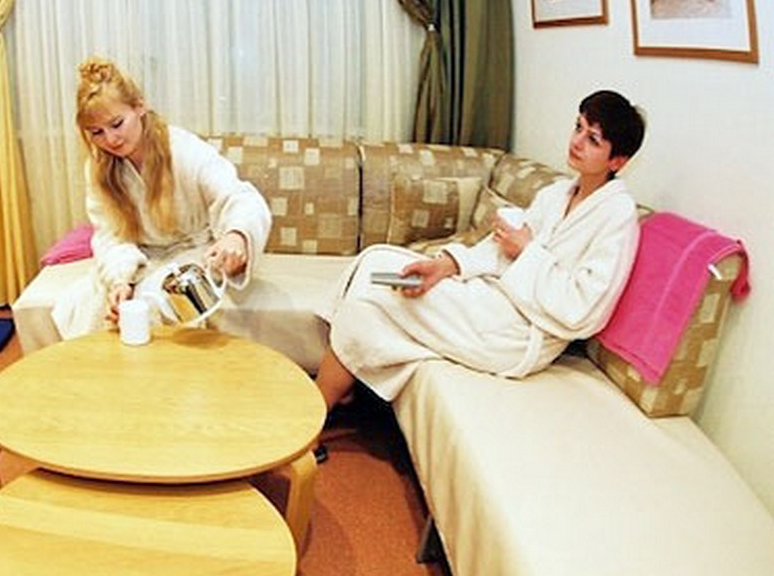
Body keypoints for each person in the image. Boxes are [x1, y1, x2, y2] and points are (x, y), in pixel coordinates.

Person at [314, 89, 646, 414]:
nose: (577, 142)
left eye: (593, 140)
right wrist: (446, 265)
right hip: (491, 302)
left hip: (520, 335)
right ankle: (319, 412)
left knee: (376, 282)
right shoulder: (557, 193)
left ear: (618, 161)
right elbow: (501, 249)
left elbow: (583, 311)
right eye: (578, 127)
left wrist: (527, 252)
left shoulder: (617, 215)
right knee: (370, 280)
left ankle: (317, 410)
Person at [50, 57, 272, 337]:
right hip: (141, 256)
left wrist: (236, 235)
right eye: (97, 132)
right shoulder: (98, 168)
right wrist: (121, 281)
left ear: (139, 107)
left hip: (194, 252)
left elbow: (238, 195)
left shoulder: (183, 149)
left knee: (154, 303)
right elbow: (110, 234)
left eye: (117, 124)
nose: (111, 139)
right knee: (88, 306)